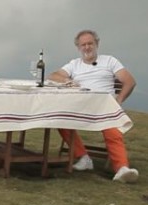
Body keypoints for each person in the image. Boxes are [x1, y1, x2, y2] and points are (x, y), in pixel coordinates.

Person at [48, 29, 139, 183]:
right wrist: (67, 81)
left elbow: (129, 81)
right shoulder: (74, 64)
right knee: (60, 119)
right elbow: (53, 75)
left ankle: (122, 168)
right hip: (81, 106)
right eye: (83, 45)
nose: (87, 47)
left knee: (111, 128)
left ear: (97, 44)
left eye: (90, 43)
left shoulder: (109, 61)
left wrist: (119, 101)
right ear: (78, 47)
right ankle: (83, 158)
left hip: (104, 106)